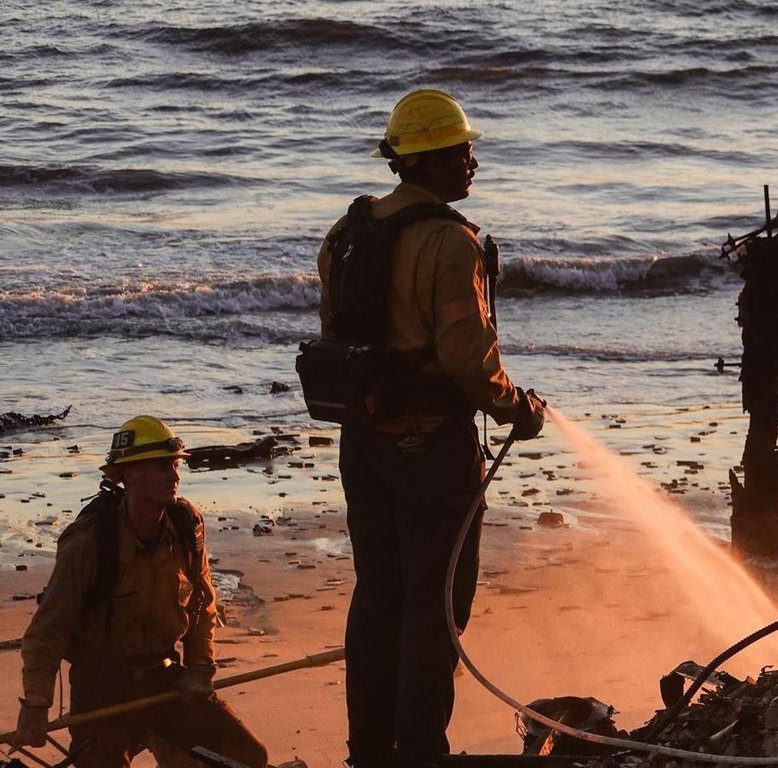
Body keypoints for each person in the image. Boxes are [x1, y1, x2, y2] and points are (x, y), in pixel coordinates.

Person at [316, 88, 546, 766]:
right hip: (432, 453)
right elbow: (466, 358)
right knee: (435, 604)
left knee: (377, 594)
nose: (474, 160)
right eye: (464, 150)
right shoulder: (449, 242)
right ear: (432, 160)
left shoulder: (346, 234)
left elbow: (339, 338)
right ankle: (419, 751)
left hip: (363, 444)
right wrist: (516, 408)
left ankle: (369, 749)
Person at [11, 416, 268, 767]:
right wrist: (37, 705)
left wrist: (199, 669)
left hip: (166, 681)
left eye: (175, 465)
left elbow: (202, 607)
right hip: (102, 691)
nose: (174, 476)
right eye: (161, 466)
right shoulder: (88, 543)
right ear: (128, 474)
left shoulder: (186, 527)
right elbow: (47, 630)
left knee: (246, 757)